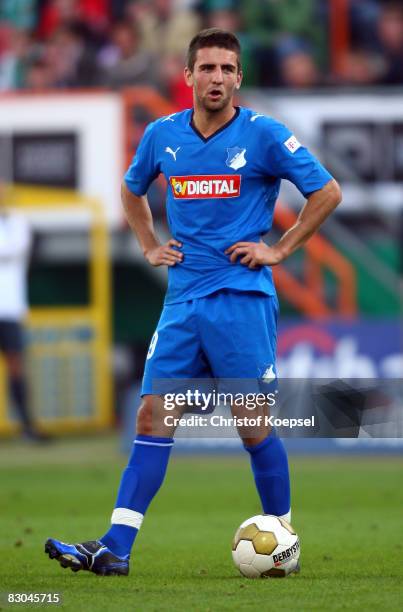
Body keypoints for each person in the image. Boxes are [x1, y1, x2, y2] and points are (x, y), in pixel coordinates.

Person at [45, 28, 341, 576]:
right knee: (152, 416)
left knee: (253, 427)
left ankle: (283, 540)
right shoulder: (162, 134)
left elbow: (326, 192)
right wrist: (149, 245)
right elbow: (132, 190)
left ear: (239, 78)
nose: (218, 78)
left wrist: (280, 248)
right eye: (208, 68)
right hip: (182, 303)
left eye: (228, 69)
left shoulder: (265, 135)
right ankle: (116, 546)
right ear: (188, 76)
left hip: (240, 300)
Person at [0, 183, 44, 441]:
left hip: (10, 308)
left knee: (17, 366)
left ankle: (27, 426)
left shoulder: (17, 222)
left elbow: (14, 248)